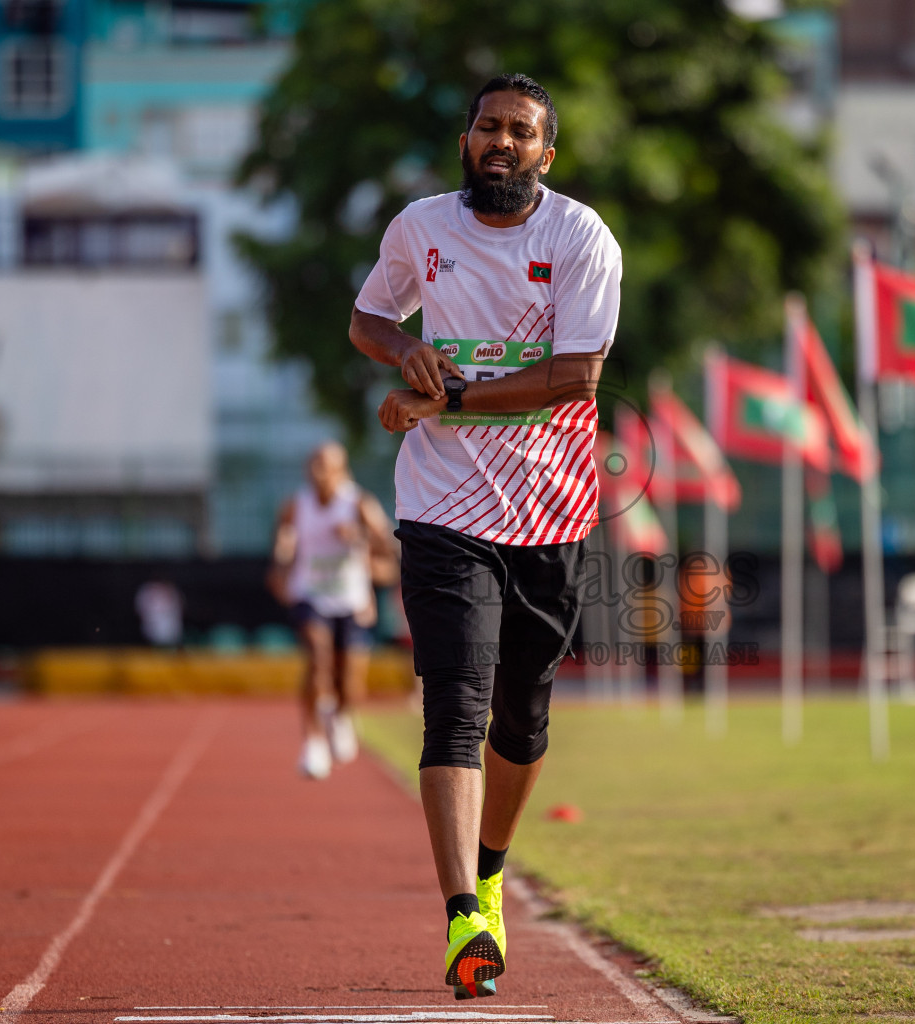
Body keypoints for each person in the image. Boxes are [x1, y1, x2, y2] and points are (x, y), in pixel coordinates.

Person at [349, 73, 620, 1000]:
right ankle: (466, 913)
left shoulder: (579, 237)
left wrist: (450, 396)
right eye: (488, 127)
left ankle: (494, 865)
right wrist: (403, 349)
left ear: (548, 152)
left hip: (550, 509)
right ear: (465, 139)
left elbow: (576, 376)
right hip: (442, 508)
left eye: (521, 132)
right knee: (454, 703)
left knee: (522, 714)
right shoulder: (420, 229)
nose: (502, 142)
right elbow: (367, 317)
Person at [269, 441, 395, 780]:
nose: (317, 471)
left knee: (350, 681)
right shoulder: (296, 505)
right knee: (317, 655)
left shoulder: (358, 503)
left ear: (341, 470)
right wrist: (281, 567)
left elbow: (388, 546)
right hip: (309, 594)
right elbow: (282, 544)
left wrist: (357, 537)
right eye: (313, 464)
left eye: (325, 465)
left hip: (350, 599)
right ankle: (313, 742)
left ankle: (341, 714)